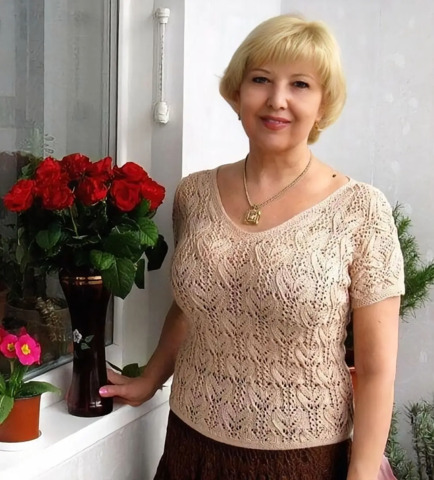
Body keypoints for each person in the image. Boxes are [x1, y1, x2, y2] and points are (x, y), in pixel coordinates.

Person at [99, 14, 404, 480]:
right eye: (261, 79)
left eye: (300, 84)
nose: (277, 99)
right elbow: (192, 307)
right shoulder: (194, 194)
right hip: (189, 446)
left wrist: (361, 473)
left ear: (322, 103)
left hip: (302, 460)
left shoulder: (361, 210)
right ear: (238, 92)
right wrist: (150, 379)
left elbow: (376, 368)